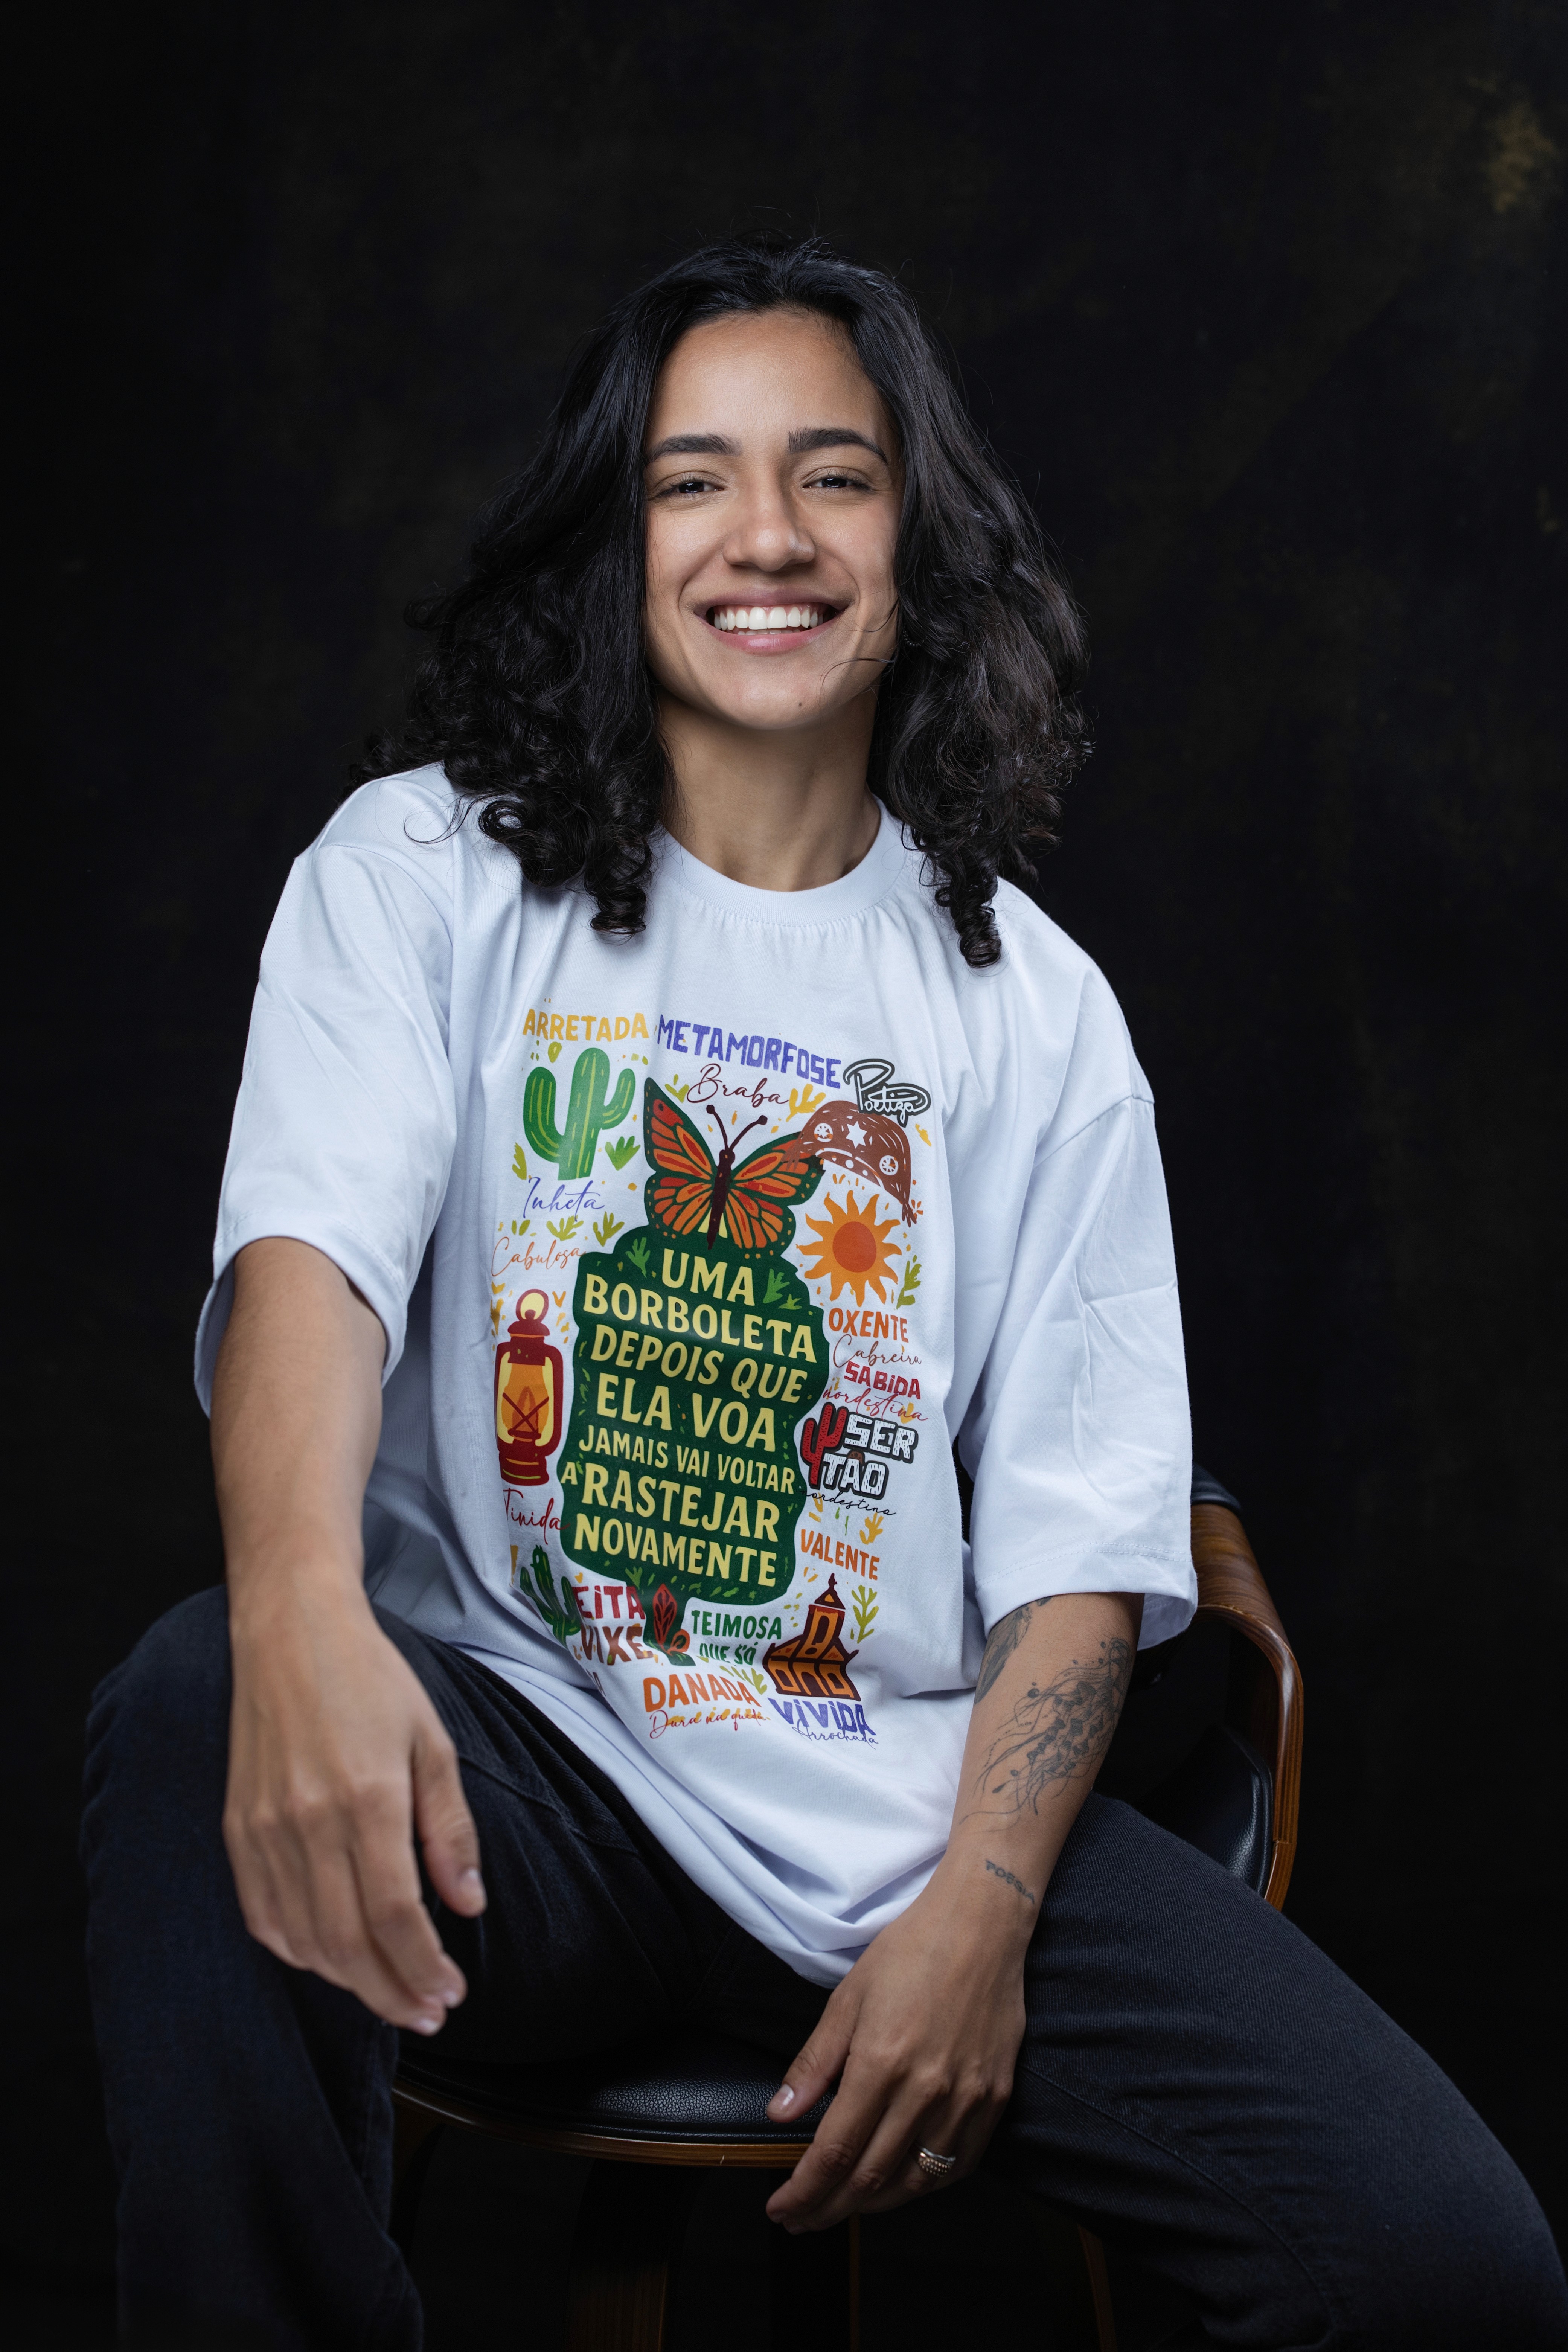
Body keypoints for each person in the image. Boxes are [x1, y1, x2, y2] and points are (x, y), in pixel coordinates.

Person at [82, 237, 1566, 2351]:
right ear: (616, 538)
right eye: (692, 480)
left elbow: (1080, 1542)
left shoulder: (1030, 1012)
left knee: (1445, 2267)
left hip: (902, 1811)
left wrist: (976, 1910)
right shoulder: (417, 874)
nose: (762, 536)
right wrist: (304, 1617)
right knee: (192, 1689)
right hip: (532, 1792)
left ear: (915, 537)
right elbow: (308, 1257)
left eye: (831, 477)